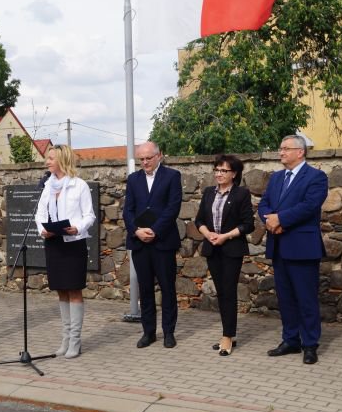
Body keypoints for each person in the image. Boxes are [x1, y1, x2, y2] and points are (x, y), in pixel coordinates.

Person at [258, 135, 328, 364]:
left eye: (286, 148)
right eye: (280, 148)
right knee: (285, 298)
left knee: (306, 299)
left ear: (300, 152)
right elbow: (264, 203)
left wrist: (280, 219)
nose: (281, 152)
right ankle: (290, 340)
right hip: (279, 245)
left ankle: (310, 344)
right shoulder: (276, 177)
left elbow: (309, 206)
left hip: (302, 247)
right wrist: (270, 220)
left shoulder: (316, 177)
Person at [35, 144, 96, 359]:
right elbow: (40, 213)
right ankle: (65, 338)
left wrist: (77, 227)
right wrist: (42, 230)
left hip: (73, 243)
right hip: (54, 242)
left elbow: (89, 215)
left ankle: (75, 341)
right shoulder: (47, 186)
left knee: (73, 290)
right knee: (60, 289)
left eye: (51, 158)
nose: (47, 162)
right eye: (47, 158)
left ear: (62, 160)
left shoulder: (79, 185)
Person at [123, 141, 183, 348]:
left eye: (148, 158)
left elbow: (173, 208)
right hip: (139, 242)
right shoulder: (133, 179)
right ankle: (148, 332)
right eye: (141, 159)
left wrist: (155, 230)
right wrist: (136, 231)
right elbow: (128, 210)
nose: (145, 162)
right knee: (145, 289)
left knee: (167, 288)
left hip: (163, 241)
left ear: (159, 156)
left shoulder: (172, 176)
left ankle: (168, 332)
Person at [194, 154, 255, 356]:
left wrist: (225, 236)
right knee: (221, 292)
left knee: (228, 291)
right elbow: (199, 220)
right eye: (217, 170)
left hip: (231, 248)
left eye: (224, 170)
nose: (219, 174)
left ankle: (227, 336)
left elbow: (248, 224)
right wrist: (208, 234)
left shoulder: (241, 194)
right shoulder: (209, 193)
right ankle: (229, 333)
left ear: (234, 174)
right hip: (212, 248)